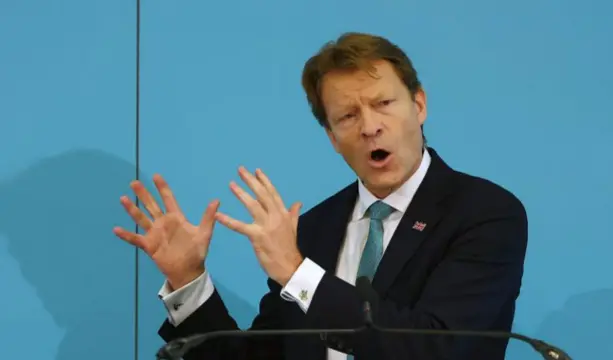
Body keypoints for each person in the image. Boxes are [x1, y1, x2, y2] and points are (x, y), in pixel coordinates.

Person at [114, 32, 528, 360]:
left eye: (383, 103)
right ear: (332, 137)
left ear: (418, 105)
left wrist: (299, 274)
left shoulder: (484, 213)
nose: (370, 127)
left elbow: (437, 348)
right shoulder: (315, 230)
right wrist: (189, 280)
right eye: (348, 116)